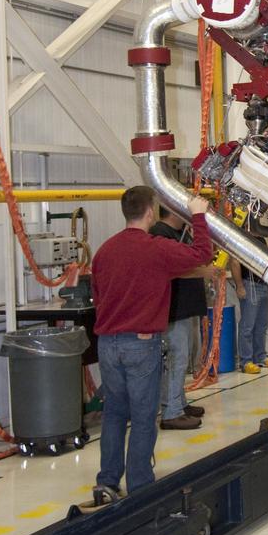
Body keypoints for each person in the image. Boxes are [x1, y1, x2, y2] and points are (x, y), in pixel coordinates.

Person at [91, 186, 212, 503]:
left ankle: (106, 483)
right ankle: (141, 487)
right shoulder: (155, 248)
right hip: (140, 344)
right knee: (144, 418)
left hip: (107, 344)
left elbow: (98, 297)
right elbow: (202, 255)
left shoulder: (104, 251)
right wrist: (199, 215)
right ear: (150, 211)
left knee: (115, 415)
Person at [150, 206, 212, 430]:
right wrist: (203, 271)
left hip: (186, 306)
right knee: (177, 358)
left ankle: (179, 403)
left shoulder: (179, 234)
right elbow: (171, 269)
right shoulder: (160, 233)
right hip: (174, 308)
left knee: (182, 359)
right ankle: (171, 411)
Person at [231, 261, 268, 368]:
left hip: (263, 284)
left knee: (262, 325)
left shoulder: (262, 242)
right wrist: (239, 286)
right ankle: (245, 360)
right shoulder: (243, 243)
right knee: (247, 325)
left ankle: (260, 357)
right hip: (249, 284)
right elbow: (235, 262)